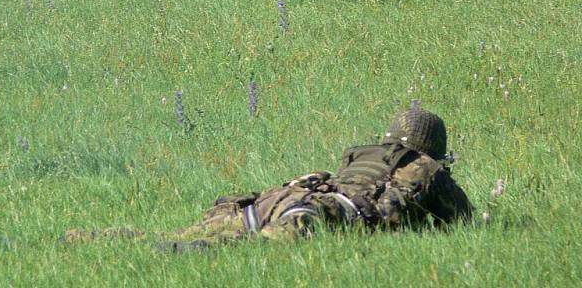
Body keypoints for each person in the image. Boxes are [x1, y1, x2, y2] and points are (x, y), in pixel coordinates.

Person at [62, 106, 473, 251]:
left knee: (188, 231)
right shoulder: (427, 168)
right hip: (320, 213)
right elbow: (464, 221)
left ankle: (96, 238)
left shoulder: (360, 154)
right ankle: (210, 251)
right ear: (432, 147)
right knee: (255, 245)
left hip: (284, 195)